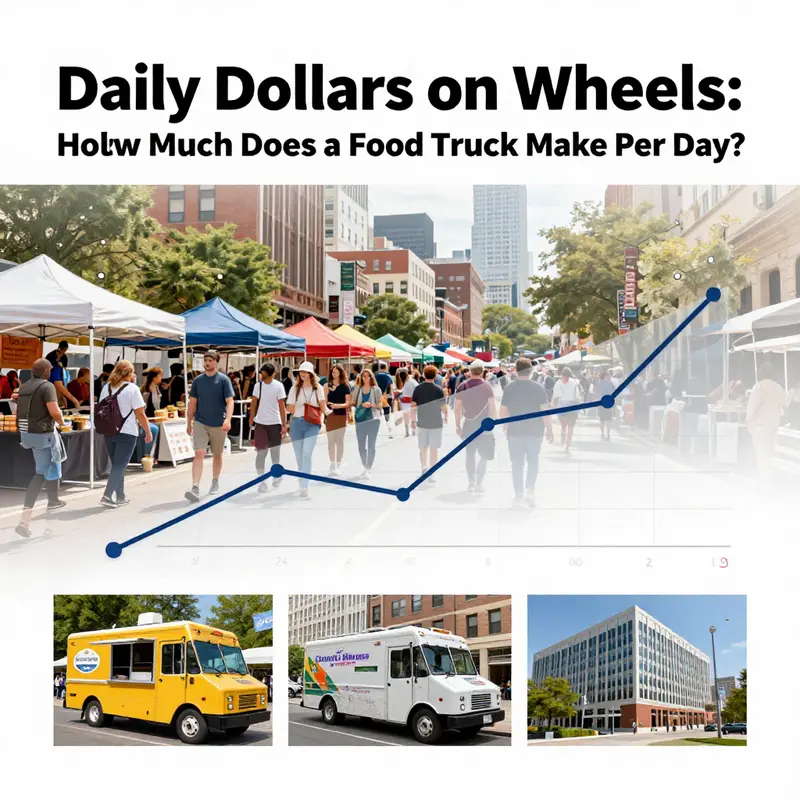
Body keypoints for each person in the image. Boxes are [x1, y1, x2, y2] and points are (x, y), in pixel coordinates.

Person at [14, 358, 67, 537]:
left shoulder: (24, 387)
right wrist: (62, 422)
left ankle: (53, 500)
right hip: (43, 435)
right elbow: (53, 410)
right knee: (40, 473)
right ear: (46, 371)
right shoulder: (47, 386)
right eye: (50, 370)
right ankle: (24, 520)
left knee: (53, 461)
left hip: (27, 434)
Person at [499, 358, 553, 507]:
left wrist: (505, 424)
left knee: (517, 463)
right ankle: (530, 491)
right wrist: (549, 428)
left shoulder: (509, 388)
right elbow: (545, 411)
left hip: (515, 431)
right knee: (533, 461)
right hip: (535, 431)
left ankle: (518, 495)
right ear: (531, 371)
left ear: (516, 370)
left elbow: (502, 411)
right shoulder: (538, 388)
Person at [98, 360, 152, 508]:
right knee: (120, 465)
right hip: (127, 431)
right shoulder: (132, 389)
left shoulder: (106, 387)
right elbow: (140, 414)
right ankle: (107, 495)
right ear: (129, 374)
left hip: (108, 430)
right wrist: (147, 431)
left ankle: (120, 496)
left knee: (117, 464)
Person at [185, 351, 234, 502]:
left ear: (216, 362)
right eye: (205, 360)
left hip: (219, 423)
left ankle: (215, 480)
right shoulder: (198, 381)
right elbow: (192, 402)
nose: (207, 363)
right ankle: (195, 486)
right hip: (200, 422)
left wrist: (228, 419)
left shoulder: (223, 380)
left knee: (217, 454)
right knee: (199, 452)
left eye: (210, 360)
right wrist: (188, 422)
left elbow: (230, 401)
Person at [286, 361, 329, 499]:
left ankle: (305, 486)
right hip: (297, 423)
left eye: (305, 372)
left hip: (312, 424)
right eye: (301, 372)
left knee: (306, 454)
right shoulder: (295, 388)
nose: (303, 374)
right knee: (299, 456)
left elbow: (323, 406)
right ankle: (302, 479)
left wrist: (331, 414)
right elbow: (289, 409)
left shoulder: (318, 388)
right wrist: (298, 404)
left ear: (311, 373)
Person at [454, 360, 497, 494]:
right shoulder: (487, 387)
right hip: (484, 425)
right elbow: (492, 408)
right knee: (483, 456)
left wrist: (457, 425)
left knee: (470, 454)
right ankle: (479, 484)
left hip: (469, 424)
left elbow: (457, 408)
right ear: (483, 371)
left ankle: (471, 482)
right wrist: (493, 422)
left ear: (470, 371)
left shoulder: (462, 386)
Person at [250, 363, 287, 493]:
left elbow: (282, 406)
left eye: (263, 372)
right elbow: (253, 404)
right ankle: (261, 480)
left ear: (271, 374)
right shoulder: (258, 386)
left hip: (275, 423)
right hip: (261, 423)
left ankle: (276, 476)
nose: (261, 374)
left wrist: (284, 424)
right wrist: (251, 421)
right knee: (261, 453)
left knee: (274, 453)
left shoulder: (278, 386)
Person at [746, 362, 788, 479]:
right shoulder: (778, 387)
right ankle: (768, 475)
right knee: (769, 452)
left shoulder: (759, 387)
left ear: (761, 372)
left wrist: (749, 424)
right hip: (774, 425)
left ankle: (764, 478)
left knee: (761, 452)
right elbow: (785, 404)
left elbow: (752, 408)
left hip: (760, 426)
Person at [411, 364, 447, 482]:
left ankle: (423, 468)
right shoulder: (438, 390)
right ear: (435, 375)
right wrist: (446, 416)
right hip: (436, 422)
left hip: (422, 422)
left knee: (423, 447)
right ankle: (432, 472)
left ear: (423, 375)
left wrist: (413, 420)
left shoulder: (418, 389)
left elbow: (413, 406)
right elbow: (443, 407)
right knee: (434, 448)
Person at [351, 368, 382, 479]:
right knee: (361, 445)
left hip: (373, 419)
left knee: (371, 444)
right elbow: (353, 402)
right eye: (363, 376)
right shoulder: (357, 389)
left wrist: (371, 405)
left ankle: (368, 468)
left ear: (371, 377)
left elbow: (380, 405)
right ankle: (365, 465)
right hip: (361, 419)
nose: (365, 378)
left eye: (367, 376)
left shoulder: (376, 390)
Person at [324, 364, 350, 476]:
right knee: (331, 440)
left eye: (336, 372)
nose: (334, 374)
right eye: (332, 372)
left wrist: (337, 406)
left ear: (340, 373)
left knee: (339, 440)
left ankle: (338, 464)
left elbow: (348, 403)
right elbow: (324, 401)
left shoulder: (345, 386)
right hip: (330, 415)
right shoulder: (326, 385)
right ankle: (332, 463)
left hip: (341, 415)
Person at [551, 367, 583, 454]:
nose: (566, 378)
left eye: (567, 376)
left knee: (570, 426)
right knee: (564, 426)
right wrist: (553, 405)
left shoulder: (574, 382)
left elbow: (579, 394)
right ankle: (564, 438)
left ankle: (567, 444)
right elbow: (555, 396)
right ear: (562, 375)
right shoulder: (558, 383)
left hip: (571, 407)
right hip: (562, 407)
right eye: (565, 376)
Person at [373, 361, 394, 438]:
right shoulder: (388, 377)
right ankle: (389, 427)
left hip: (375, 396)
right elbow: (391, 388)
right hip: (384, 396)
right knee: (387, 410)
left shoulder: (375, 376)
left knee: (376, 413)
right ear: (385, 368)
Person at [594, 369, 616, 441]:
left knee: (602, 420)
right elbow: (614, 391)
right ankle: (608, 434)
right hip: (609, 402)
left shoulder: (598, 383)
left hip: (601, 403)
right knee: (609, 420)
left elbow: (595, 393)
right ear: (605, 376)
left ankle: (602, 433)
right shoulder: (610, 383)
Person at [396, 368, 418, 437]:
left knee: (407, 416)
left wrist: (398, 392)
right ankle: (413, 431)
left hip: (405, 402)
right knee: (413, 417)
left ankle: (407, 432)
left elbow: (403, 391)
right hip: (412, 401)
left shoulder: (406, 382)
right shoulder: (411, 381)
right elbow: (417, 388)